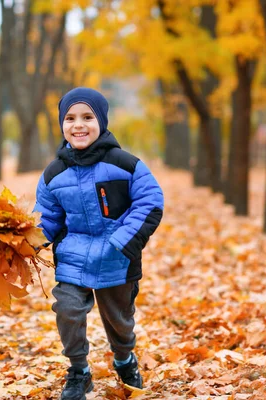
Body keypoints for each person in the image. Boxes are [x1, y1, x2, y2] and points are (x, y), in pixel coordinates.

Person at [34, 87, 164, 400]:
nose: (78, 125)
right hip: (73, 258)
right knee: (67, 310)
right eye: (70, 118)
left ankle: (124, 359)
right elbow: (48, 219)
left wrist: (122, 242)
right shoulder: (54, 173)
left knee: (119, 322)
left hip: (116, 259)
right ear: (62, 124)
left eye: (87, 117)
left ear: (101, 122)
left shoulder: (124, 164)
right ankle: (78, 370)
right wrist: (26, 242)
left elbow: (150, 200)